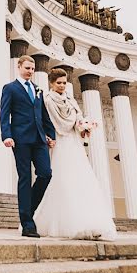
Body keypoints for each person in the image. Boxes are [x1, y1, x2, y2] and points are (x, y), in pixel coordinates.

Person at [33, 68, 118, 240]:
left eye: (64, 82)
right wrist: (73, 125)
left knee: (81, 179)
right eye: (59, 83)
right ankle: (62, 223)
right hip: (60, 142)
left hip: (74, 143)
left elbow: (77, 119)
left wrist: (83, 129)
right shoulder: (48, 100)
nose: (62, 86)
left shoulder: (70, 99)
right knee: (62, 179)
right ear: (51, 83)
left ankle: (88, 221)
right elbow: (54, 123)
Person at [0, 55, 57, 238]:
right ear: (19, 66)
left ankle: (28, 211)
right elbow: (4, 113)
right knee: (25, 177)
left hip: (40, 139)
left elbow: (44, 115)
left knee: (45, 174)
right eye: (27, 68)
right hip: (21, 139)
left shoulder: (38, 89)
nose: (30, 71)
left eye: (32, 69)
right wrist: (6, 135)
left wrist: (51, 135)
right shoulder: (10, 88)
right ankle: (27, 225)